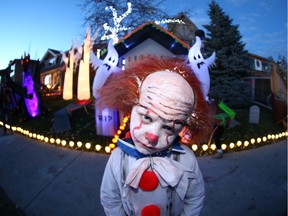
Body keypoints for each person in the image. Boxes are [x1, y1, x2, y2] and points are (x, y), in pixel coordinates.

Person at [97, 56, 211, 216]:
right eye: (146, 117)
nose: (153, 136)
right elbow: (110, 198)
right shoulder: (118, 157)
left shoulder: (187, 159)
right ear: (131, 108)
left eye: (168, 127)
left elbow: (195, 197)